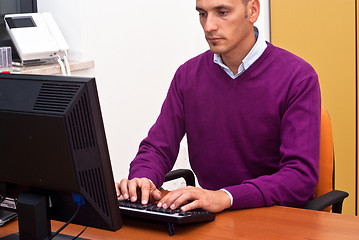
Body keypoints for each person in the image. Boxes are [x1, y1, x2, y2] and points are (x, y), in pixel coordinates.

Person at [116, 0, 321, 213]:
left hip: (276, 215)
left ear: (252, 11)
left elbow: (300, 176)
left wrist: (226, 197)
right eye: (203, 14)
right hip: (212, 216)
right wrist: (143, 178)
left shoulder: (298, 77)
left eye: (222, 12)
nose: (208, 26)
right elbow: (157, 147)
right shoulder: (187, 76)